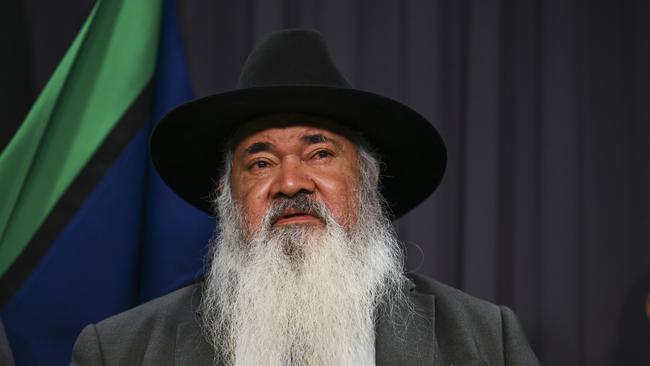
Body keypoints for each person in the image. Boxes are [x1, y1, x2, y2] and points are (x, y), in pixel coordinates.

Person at [71, 29, 540, 366]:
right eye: (260, 162)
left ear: (368, 183)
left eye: (319, 153)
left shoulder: (483, 340)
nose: (291, 182)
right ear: (226, 197)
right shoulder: (119, 351)